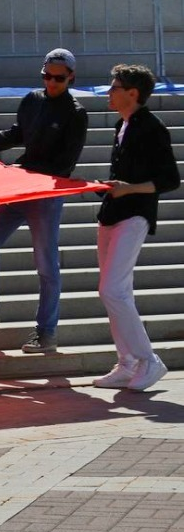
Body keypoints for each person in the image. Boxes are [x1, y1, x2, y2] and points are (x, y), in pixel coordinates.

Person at [0, 49, 89, 351]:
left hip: (45, 195)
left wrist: (24, 173)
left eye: (59, 78)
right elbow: (17, 134)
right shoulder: (32, 100)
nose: (52, 82)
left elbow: (65, 164)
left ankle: (46, 332)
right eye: (47, 76)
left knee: (46, 264)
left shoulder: (75, 113)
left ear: (71, 78)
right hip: (21, 187)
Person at [91, 64, 179, 391]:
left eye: (115, 87)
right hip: (111, 214)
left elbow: (169, 179)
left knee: (111, 289)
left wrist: (129, 188)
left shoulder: (153, 128)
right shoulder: (122, 125)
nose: (109, 92)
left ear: (133, 93)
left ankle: (148, 359)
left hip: (135, 216)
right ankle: (127, 362)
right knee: (119, 291)